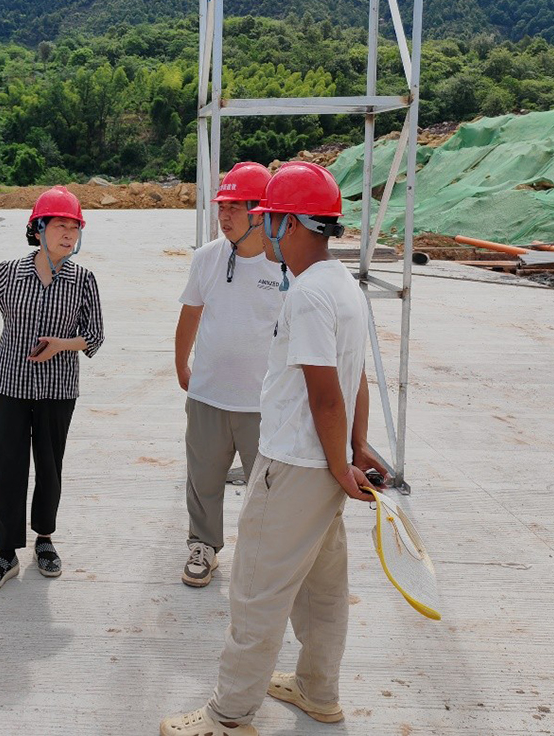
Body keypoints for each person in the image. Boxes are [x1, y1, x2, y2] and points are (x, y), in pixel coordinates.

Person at [161, 162, 388, 736]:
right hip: (323, 470)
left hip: (294, 467)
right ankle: (317, 690)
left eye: (270, 220)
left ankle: (229, 716)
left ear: (292, 224)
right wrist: (356, 449)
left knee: (256, 593)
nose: (266, 230)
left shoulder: (307, 295)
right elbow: (355, 378)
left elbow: (325, 395)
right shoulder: (344, 285)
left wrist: (341, 464)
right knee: (321, 590)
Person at [0, 187, 105, 592]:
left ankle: (45, 539)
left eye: (74, 227)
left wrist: (61, 344)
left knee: (50, 468)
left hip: (58, 389)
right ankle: (6, 553)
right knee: (9, 468)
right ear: (38, 229)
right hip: (10, 385)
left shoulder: (82, 279)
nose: (68, 234)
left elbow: (94, 336)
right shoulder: (10, 272)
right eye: (60, 225)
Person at [175, 162, 282, 588]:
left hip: (262, 402)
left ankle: (261, 559)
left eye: (235, 207)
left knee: (266, 488)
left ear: (260, 212)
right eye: (222, 206)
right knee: (203, 479)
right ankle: (203, 546)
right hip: (208, 395)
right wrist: (181, 365)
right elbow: (190, 314)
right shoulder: (207, 257)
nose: (224, 215)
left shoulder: (283, 266)